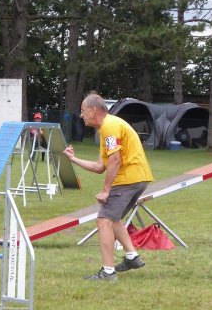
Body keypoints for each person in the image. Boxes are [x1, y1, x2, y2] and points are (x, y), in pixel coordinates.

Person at [63, 93, 153, 281]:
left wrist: (105, 190)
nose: (81, 115)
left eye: (83, 111)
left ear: (93, 110)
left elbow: (115, 160)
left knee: (103, 220)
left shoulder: (110, 126)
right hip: (139, 178)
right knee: (113, 218)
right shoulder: (107, 128)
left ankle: (108, 272)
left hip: (128, 179)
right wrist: (73, 159)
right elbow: (99, 167)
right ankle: (132, 257)